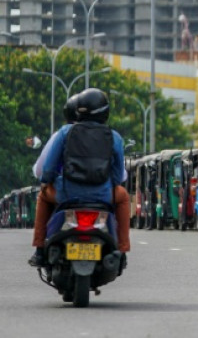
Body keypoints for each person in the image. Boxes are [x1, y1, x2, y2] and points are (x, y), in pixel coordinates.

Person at [28, 88, 131, 268]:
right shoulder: (114, 137)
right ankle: (122, 250)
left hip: (66, 195)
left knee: (43, 195)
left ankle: (39, 248)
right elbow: (117, 176)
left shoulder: (65, 132)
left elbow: (48, 169)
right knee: (123, 197)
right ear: (105, 112)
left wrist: (48, 180)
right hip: (103, 196)